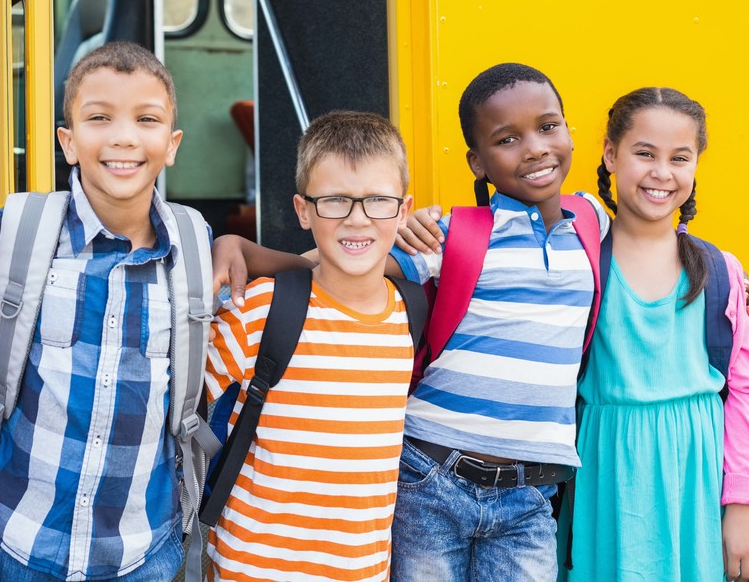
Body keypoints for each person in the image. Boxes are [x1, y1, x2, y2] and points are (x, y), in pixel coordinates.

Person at [211, 63, 610, 581]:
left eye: (548, 127)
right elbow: (345, 260)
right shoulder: (452, 235)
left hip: (530, 491)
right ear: (478, 162)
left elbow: (649, 232)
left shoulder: (592, 218)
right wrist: (242, 248)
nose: (534, 148)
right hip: (431, 473)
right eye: (507, 139)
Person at [204, 111, 417, 581]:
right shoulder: (259, 308)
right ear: (303, 210)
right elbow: (173, 408)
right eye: (335, 200)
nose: (357, 219)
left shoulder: (412, 315)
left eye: (378, 200)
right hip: (252, 568)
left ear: (403, 210)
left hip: (362, 571)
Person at [559, 87, 749, 581]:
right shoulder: (580, 262)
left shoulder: (720, 271)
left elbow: (742, 390)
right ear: (610, 154)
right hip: (606, 475)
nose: (662, 172)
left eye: (679, 158)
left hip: (696, 485)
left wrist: (740, 505)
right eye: (645, 153)